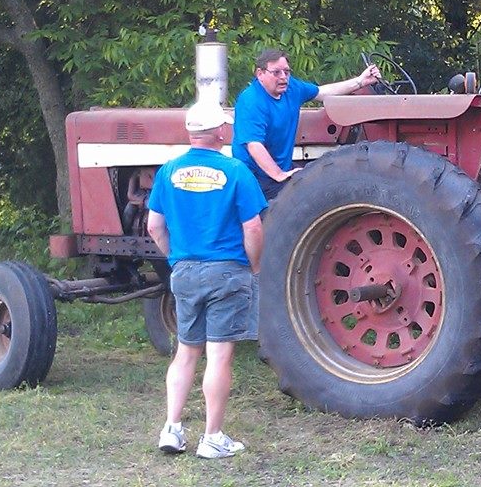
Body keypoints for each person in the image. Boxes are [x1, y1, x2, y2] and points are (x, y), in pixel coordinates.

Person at [147, 99, 267, 459]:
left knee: (186, 352)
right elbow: (254, 227)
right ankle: (212, 437)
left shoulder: (167, 171)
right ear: (220, 132)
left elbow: (154, 225)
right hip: (226, 272)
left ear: (189, 131)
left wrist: (175, 258)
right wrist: (255, 266)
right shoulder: (236, 171)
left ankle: (172, 429)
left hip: (184, 271)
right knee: (218, 356)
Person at [231, 48, 382, 200]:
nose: (283, 77)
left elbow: (322, 92)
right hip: (255, 178)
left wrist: (360, 81)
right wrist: (279, 174)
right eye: (276, 72)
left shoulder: (292, 88)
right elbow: (254, 145)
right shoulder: (251, 101)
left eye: (287, 72)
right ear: (260, 74)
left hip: (282, 169)